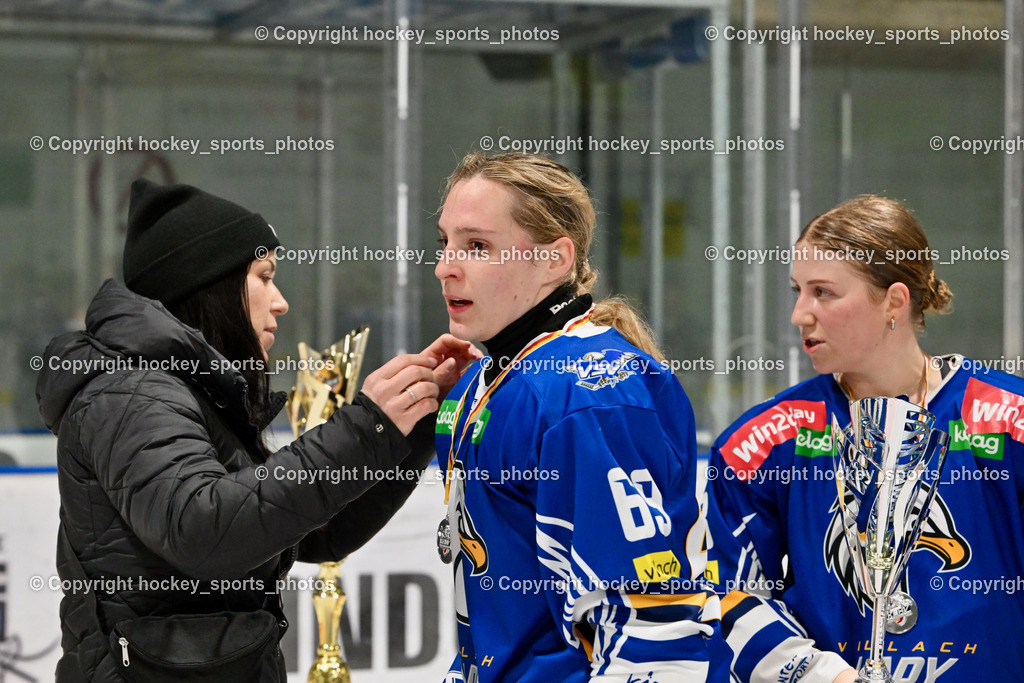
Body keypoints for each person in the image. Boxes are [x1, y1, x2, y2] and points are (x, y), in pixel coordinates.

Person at [431, 152, 856, 683]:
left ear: (555, 260)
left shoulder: (587, 397)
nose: (446, 265)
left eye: (477, 246)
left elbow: (650, 625)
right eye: (445, 242)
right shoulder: (484, 379)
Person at [35, 178, 480, 681]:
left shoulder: (190, 391)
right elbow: (204, 530)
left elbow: (314, 534)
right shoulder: (130, 393)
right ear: (210, 286)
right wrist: (367, 427)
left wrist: (410, 425)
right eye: (265, 277)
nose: (280, 301)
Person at [705, 195, 1024, 682]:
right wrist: (821, 676)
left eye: (823, 292)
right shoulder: (763, 442)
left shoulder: (1008, 420)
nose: (800, 314)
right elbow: (727, 596)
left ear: (894, 301)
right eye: (797, 290)